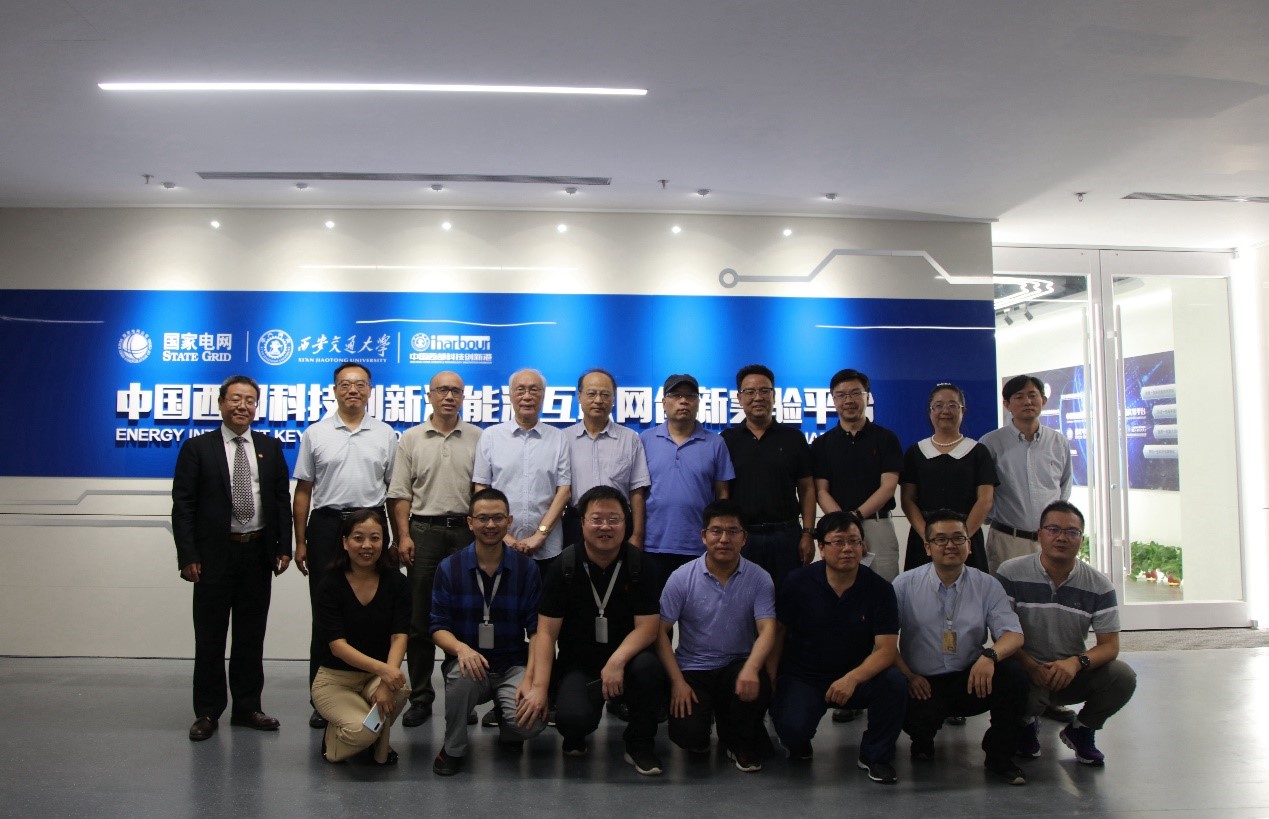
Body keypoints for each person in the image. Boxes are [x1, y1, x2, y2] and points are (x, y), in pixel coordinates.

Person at [172, 375, 292, 741]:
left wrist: (283, 547)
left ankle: (247, 707)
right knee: (210, 636)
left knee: (250, 636)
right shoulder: (197, 448)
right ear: (221, 403)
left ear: (257, 406)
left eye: (250, 400)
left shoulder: (269, 448)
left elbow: (280, 501)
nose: (243, 406)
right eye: (236, 399)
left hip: (256, 553)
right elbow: (183, 506)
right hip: (213, 556)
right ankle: (208, 711)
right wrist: (188, 554)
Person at [518, 485, 667, 776]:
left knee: (649, 669)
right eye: (597, 519)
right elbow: (546, 633)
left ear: (626, 522)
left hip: (629, 662)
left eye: (614, 519)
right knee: (571, 720)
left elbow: (648, 629)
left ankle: (639, 744)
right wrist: (539, 688)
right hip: (580, 664)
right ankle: (576, 732)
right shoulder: (565, 565)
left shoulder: (640, 565)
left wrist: (617, 661)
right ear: (582, 522)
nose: (605, 527)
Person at [294, 362, 397, 729]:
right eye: (345, 384)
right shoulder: (316, 433)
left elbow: (395, 491)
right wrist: (301, 541)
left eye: (360, 384)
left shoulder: (385, 434)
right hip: (326, 526)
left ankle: (373, 687)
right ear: (334, 390)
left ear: (370, 390)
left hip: (371, 525)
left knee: (375, 611)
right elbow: (303, 490)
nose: (353, 390)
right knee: (325, 612)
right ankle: (321, 697)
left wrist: (397, 536)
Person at [769, 511, 907, 784]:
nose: (847, 549)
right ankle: (797, 740)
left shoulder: (879, 589)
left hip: (856, 676)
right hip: (804, 676)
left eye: (854, 541)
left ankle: (875, 756)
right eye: (838, 542)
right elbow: (779, 632)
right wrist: (771, 677)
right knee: (793, 732)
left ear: (863, 546)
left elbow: (886, 650)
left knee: (894, 682)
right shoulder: (798, 582)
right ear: (821, 547)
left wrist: (852, 678)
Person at [892, 509, 1029, 785]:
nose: (950, 545)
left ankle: (999, 756)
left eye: (958, 538)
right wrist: (909, 675)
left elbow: (1014, 635)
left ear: (969, 544)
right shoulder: (904, 585)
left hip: (970, 678)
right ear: (927, 547)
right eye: (940, 539)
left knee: (1013, 675)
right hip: (922, 683)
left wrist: (990, 655)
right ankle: (922, 739)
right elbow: (882, 640)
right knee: (903, 698)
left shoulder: (987, 584)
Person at [996, 501, 1137, 766]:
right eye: (1053, 529)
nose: (1062, 537)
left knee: (1122, 676)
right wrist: (1030, 666)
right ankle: (1025, 723)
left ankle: (1082, 730)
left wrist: (1075, 663)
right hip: (1024, 670)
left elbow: (1110, 646)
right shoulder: (1010, 573)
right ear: (1039, 534)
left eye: (1072, 532)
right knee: (1006, 675)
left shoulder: (1099, 585)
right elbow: (1000, 633)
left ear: (1081, 539)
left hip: (1070, 673)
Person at [429, 488, 547, 776]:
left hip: (512, 664)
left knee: (530, 723)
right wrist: (461, 649)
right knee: (460, 678)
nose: (490, 525)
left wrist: (532, 679)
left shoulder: (527, 569)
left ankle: (509, 725)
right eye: (482, 518)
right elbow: (437, 627)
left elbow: (537, 632)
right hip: (471, 665)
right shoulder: (449, 568)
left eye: (497, 518)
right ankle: (453, 748)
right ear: (470, 523)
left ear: (509, 521)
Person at [388, 370, 482, 728]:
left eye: (456, 391)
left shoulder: (478, 436)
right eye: (442, 390)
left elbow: (482, 490)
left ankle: (463, 695)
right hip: (423, 532)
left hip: (465, 533)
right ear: (429, 395)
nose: (449, 396)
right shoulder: (412, 438)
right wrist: (403, 536)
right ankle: (421, 697)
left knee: (464, 617)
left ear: (463, 397)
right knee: (420, 618)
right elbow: (400, 493)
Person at [657, 500, 776, 773]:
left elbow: (768, 629)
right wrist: (677, 682)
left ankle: (737, 738)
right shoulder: (681, 577)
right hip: (694, 669)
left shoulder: (759, 578)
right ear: (703, 536)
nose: (724, 539)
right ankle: (714, 724)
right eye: (716, 531)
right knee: (689, 736)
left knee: (757, 684)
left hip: (738, 666)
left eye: (733, 531)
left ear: (744, 538)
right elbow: (659, 632)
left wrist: (752, 668)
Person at [311, 508, 411, 765]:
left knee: (400, 690)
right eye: (358, 538)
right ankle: (339, 741)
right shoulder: (329, 585)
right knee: (363, 730)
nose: (367, 545)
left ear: (384, 542)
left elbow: (399, 637)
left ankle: (373, 737)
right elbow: (338, 647)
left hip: (374, 678)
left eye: (375, 538)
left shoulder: (397, 583)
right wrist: (385, 672)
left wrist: (386, 682)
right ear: (345, 542)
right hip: (336, 681)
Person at [721, 364, 816, 594]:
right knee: (742, 603)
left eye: (764, 391)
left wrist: (808, 533)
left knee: (788, 602)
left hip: (786, 536)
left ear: (774, 395)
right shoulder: (727, 440)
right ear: (739, 398)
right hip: (744, 538)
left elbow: (807, 489)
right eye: (750, 392)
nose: (758, 397)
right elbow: (722, 492)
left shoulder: (793, 438)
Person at [640, 373, 734, 588]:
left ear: (698, 403)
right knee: (655, 606)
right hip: (653, 544)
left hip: (699, 545)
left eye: (690, 396)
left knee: (699, 608)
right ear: (664, 402)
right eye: (676, 395)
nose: (683, 401)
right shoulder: (645, 440)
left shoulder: (715, 443)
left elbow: (722, 495)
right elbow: (637, 493)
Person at [473, 368, 571, 574]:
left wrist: (540, 535)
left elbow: (564, 491)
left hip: (547, 546)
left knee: (546, 595)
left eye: (534, 390)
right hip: (498, 544)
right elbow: (481, 488)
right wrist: (505, 537)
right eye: (520, 390)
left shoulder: (558, 437)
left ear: (543, 395)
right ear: (510, 395)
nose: (527, 396)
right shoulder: (491, 436)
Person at [811, 368, 904, 582]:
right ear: (833, 400)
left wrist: (856, 516)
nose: (848, 400)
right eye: (841, 395)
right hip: (837, 528)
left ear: (867, 397)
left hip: (877, 525)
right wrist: (844, 522)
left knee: (884, 586)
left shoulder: (886, 438)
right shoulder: (822, 444)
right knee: (839, 586)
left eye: (855, 393)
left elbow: (888, 487)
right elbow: (821, 491)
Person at [900, 382, 997, 573]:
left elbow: (985, 500)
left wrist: (962, 538)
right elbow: (907, 500)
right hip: (925, 540)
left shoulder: (978, 451)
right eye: (938, 405)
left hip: (967, 537)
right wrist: (928, 537)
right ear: (930, 412)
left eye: (953, 405)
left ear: (963, 411)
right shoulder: (915, 452)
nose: (945, 411)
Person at [980, 374, 1073, 573]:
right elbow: (982, 490)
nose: (1027, 401)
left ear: (1044, 400)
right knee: (1004, 592)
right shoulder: (991, 443)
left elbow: (1064, 487)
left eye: (1032, 395)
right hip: (1007, 541)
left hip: (1049, 541)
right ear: (1007, 404)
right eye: (1019, 396)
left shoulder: (1058, 442)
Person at [563, 367, 651, 549]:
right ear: (579, 396)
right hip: (577, 523)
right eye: (591, 394)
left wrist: (637, 535)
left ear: (613, 399)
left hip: (618, 523)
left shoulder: (630, 438)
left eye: (605, 395)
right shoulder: (563, 438)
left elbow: (637, 491)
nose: (598, 400)